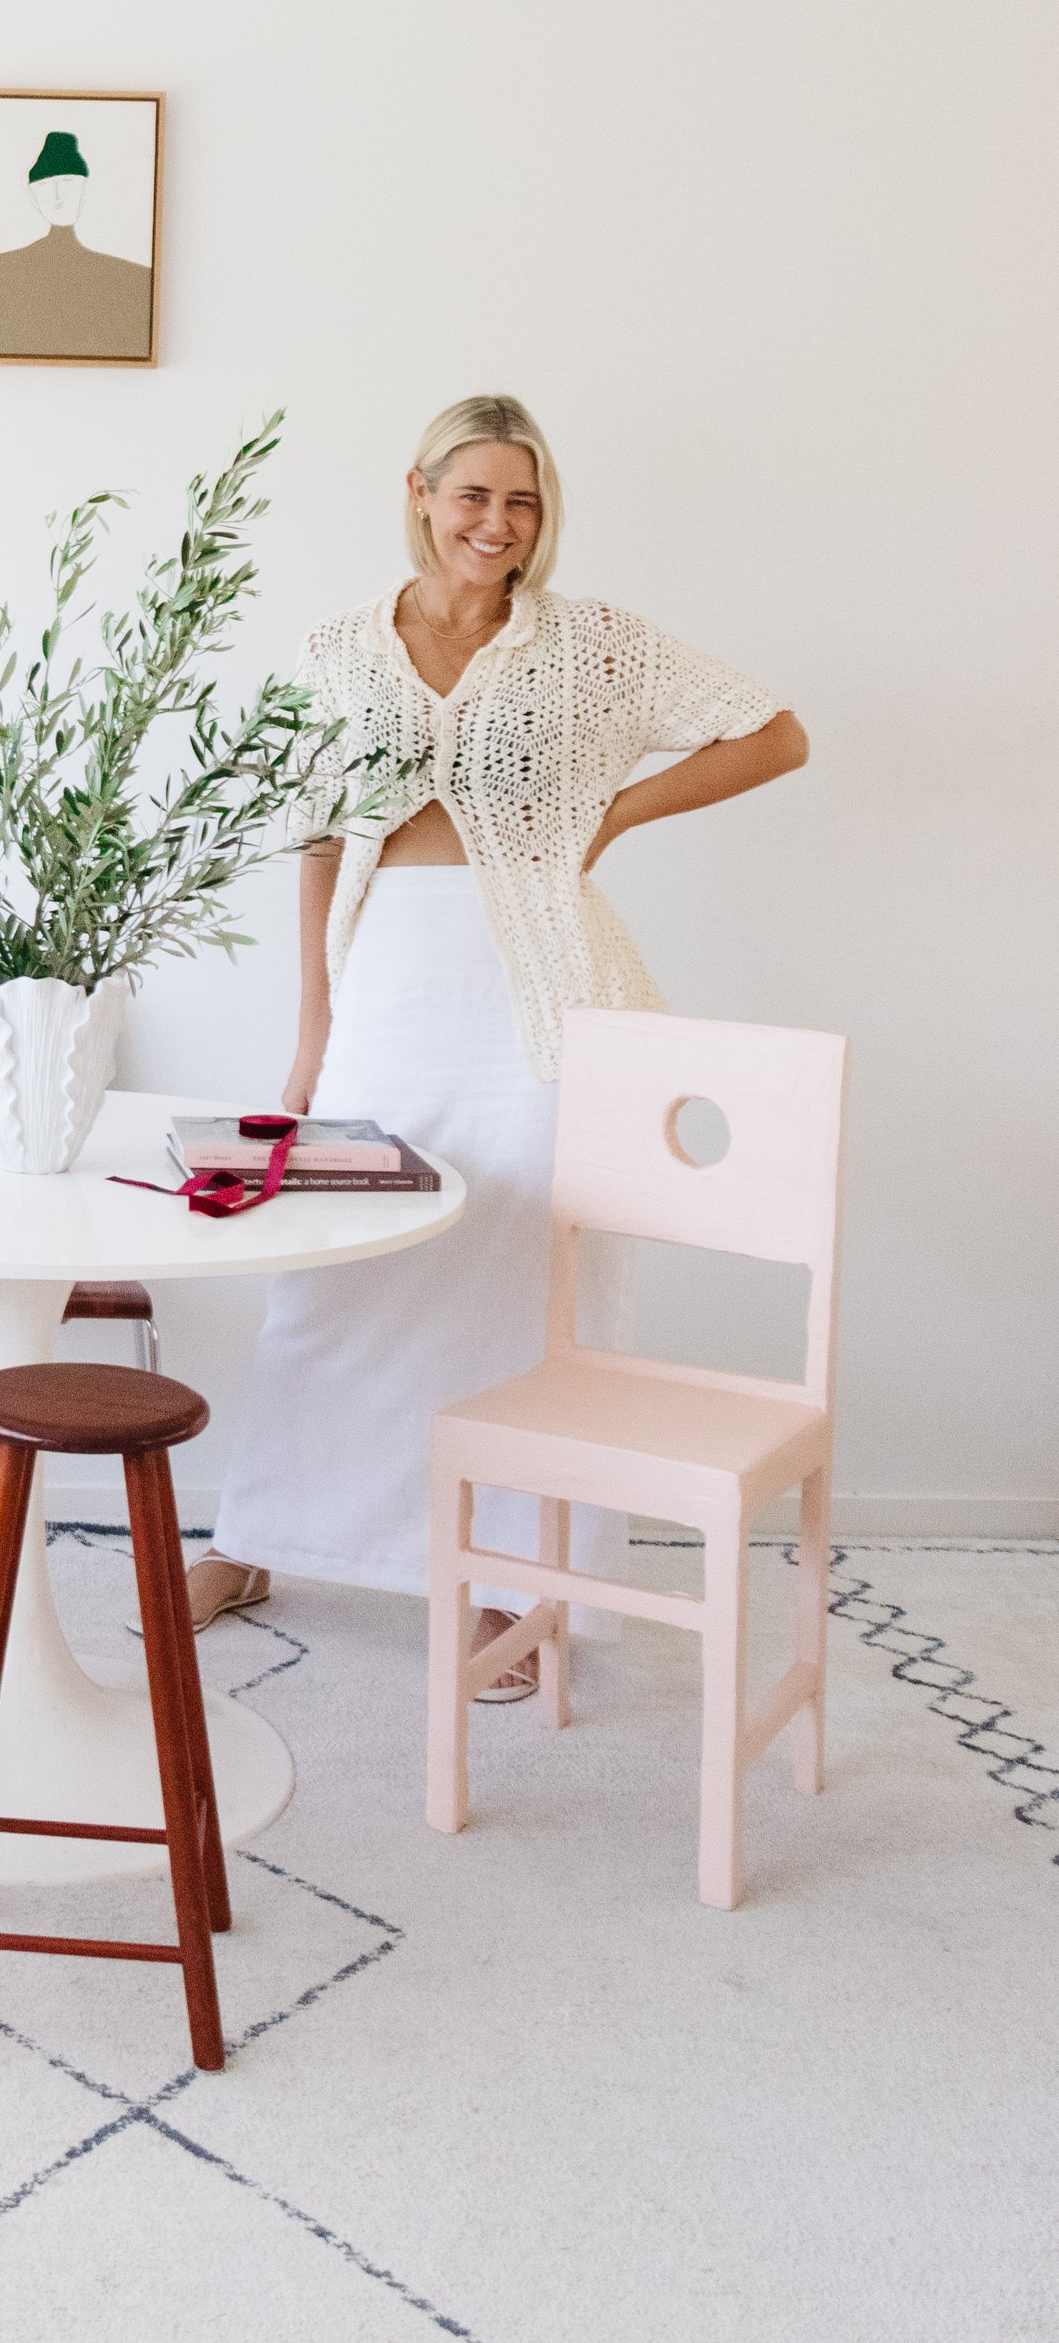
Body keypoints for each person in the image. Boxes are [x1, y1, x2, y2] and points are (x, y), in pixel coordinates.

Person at [188, 394, 809, 1694]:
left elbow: (773, 731)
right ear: (417, 491)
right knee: (336, 1271)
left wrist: (619, 815)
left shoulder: (591, 648)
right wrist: (313, 1030)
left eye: (521, 502)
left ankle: (513, 1584)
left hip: (538, 1000)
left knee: (530, 1297)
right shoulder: (336, 651)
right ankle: (264, 1536)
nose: (496, 522)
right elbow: (312, 838)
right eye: (472, 494)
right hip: (388, 986)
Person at [0, 128, 154, 360]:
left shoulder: (136, 280)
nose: (57, 195)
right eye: (43, 185)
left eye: (68, 181)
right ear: (31, 194)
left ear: (86, 185)